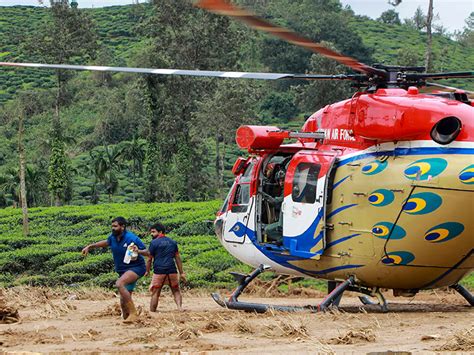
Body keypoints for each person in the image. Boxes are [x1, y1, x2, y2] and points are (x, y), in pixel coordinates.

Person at [81, 216, 148, 323]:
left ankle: (134, 313)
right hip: (122, 271)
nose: (113, 228)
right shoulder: (113, 237)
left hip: (136, 268)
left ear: (123, 227)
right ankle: (128, 320)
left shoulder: (132, 238)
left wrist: (138, 250)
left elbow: (148, 252)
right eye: (112, 226)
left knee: (119, 283)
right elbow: (106, 242)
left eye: (115, 226)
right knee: (123, 301)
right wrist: (90, 246)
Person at [146, 223, 186, 312]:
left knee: (156, 292)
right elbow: (177, 258)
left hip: (159, 271)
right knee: (176, 290)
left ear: (160, 232)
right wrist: (181, 272)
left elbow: (149, 259)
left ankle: (152, 312)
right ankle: (180, 308)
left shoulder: (153, 243)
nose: (151, 234)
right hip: (172, 270)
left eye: (153, 232)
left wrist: (147, 271)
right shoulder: (172, 242)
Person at [261, 169, 285, 243]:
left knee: (268, 230)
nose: (281, 182)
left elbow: (276, 201)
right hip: (282, 219)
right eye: (280, 180)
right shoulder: (283, 190)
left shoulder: (286, 191)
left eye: (283, 180)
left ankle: (282, 240)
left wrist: (263, 195)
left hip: (286, 221)